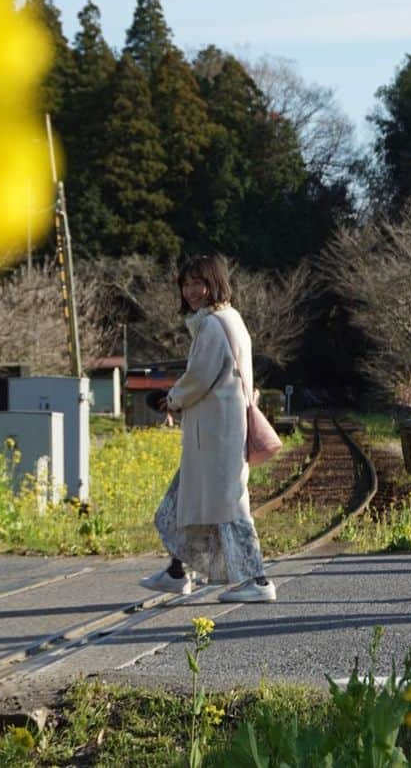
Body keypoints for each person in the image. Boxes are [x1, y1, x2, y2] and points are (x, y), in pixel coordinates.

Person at [139, 253, 275, 603]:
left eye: (198, 283)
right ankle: (176, 572)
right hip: (216, 433)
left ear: (215, 283)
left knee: (230, 507)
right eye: (185, 284)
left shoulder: (214, 325)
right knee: (182, 503)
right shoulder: (228, 319)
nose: (191, 291)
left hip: (216, 435)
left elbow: (199, 377)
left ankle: (257, 580)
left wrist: (172, 398)